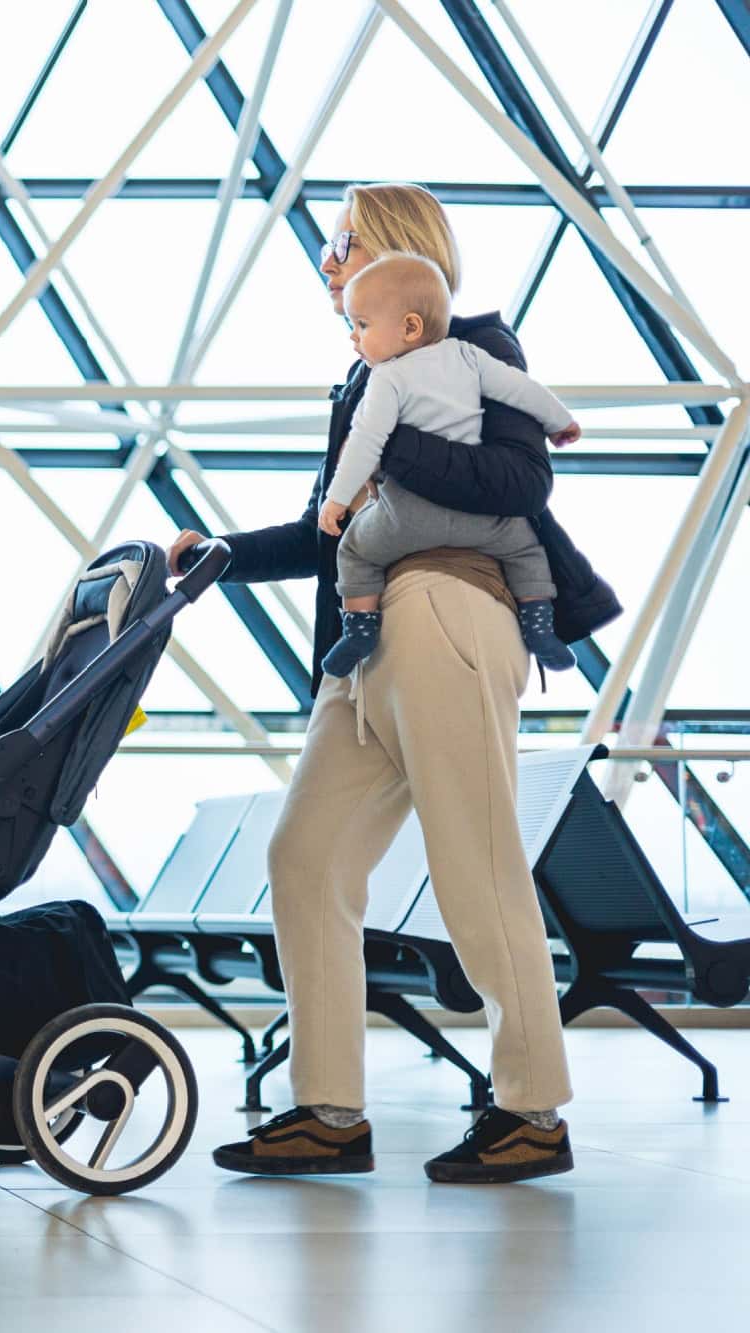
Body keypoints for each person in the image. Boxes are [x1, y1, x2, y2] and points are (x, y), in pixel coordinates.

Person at [170, 183, 616, 1185]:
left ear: (396, 248)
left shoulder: (477, 348)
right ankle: (328, 1110)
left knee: (475, 865)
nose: (326, 262)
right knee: (305, 856)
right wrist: (216, 557)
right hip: (364, 650)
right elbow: (324, 530)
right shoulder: (361, 379)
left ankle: (531, 1111)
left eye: (340, 241)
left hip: (443, 609)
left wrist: (393, 429)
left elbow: (517, 483)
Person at [317, 251, 582, 680]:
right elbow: (522, 391)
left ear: (410, 327)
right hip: (483, 521)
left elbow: (366, 444)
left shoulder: (386, 378)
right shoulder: (469, 357)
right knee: (527, 551)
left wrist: (335, 500)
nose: (354, 336)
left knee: (355, 551)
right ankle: (539, 627)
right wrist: (560, 423)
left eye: (362, 325)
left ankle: (359, 631)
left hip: (407, 518)